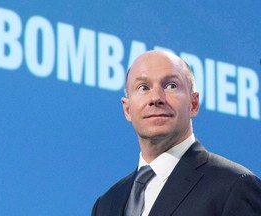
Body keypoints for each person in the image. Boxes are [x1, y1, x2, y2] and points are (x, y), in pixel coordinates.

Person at [91, 50, 261, 216]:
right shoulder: (106, 204)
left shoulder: (234, 186)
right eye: (143, 87)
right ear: (127, 109)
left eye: (171, 86)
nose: (155, 98)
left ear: (193, 104)